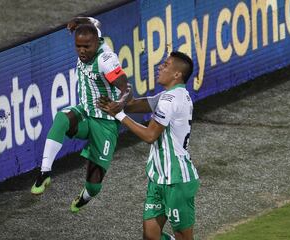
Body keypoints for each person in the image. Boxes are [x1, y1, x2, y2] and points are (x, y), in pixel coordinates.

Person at [31, 17, 132, 214]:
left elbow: (126, 88)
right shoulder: (91, 36)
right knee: (62, 118)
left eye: (86, 47)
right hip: (86, 111)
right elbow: (94, 22)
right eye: (78, 47)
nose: (82, 51)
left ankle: (85, 196)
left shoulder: (105, 61)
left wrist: (119, 104)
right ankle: (45, 173)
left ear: (97, 42)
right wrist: (77, 20)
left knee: (94, 186)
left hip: (106, 122)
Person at [98, 51, 199, 240]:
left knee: (184, 237)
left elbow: (150, 135)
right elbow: (134, 105)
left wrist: (118, 115)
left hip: (177, 180)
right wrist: (121, 93)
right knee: (151, 236)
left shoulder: (170, 100)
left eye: (166, 65)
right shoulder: (169, 96)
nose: (160, 67)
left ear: (177, 74)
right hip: (158, 178)